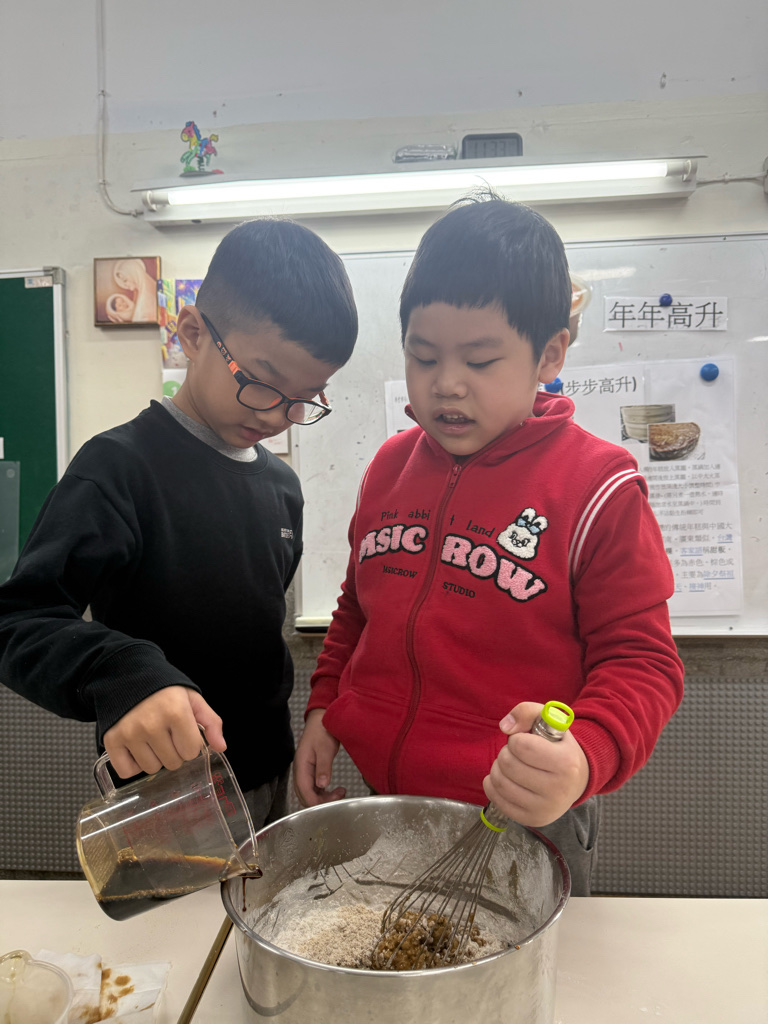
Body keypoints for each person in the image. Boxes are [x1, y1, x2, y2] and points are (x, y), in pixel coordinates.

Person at [293, 194, 684, 894]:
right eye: (422, 356)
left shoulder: (598, 486)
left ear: (549, 354)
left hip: (526, 815)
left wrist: (585, 754)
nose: (446, 384)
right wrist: (326, 707)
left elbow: (644, 662)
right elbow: (358, 609)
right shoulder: (389, 467)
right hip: (390, 799)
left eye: (479, 360)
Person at [0, 218, 358, 829]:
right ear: (193, 333)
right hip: (162, 793)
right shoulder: (117, 469)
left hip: (266, 774)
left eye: (306, 397)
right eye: (263, 384)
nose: (281, 417)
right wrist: (123, 673)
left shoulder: (282, 487)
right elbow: (19, 622)